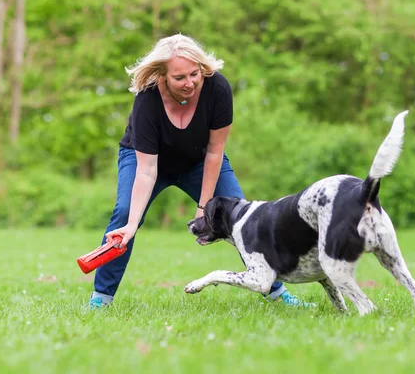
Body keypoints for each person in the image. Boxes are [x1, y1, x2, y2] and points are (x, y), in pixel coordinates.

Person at [89, 34, 312, 308]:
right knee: (124, 215)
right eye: (179, 77)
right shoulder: (147, 100)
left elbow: (215, 152)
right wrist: (132, 225)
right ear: (162, 76)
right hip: (145, 160)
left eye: (194, 74)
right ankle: (101, 298)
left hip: (199, 160)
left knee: (243, 217)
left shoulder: (217, 88)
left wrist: (204, 205)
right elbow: (147, 170)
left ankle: (277, 293)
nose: (190, 83)